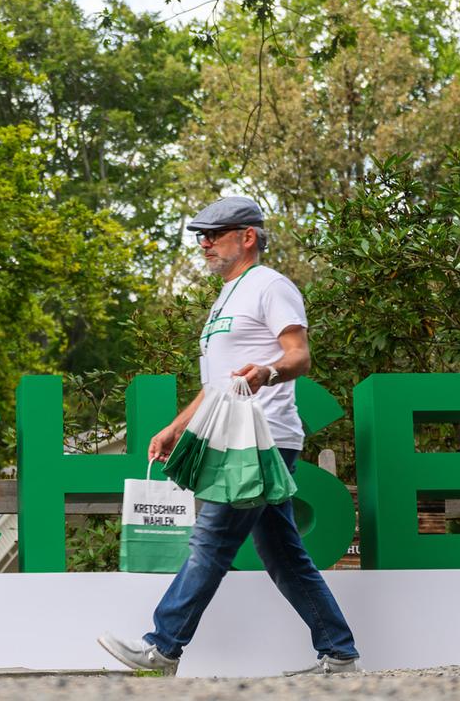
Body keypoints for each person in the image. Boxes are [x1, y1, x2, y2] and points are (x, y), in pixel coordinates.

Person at [97, 196, 360, 676]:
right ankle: (339, 653)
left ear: (249, 237)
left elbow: (298, 356)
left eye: (214, 234)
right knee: (282, 553)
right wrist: (175, 428)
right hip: (228, 438)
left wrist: (266, 372)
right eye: (201, 236)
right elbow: (215, 386)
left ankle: (162, 649)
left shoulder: (270, 286)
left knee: (212, 539)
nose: (204, 244)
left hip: (263, 440)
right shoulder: (225, 298)